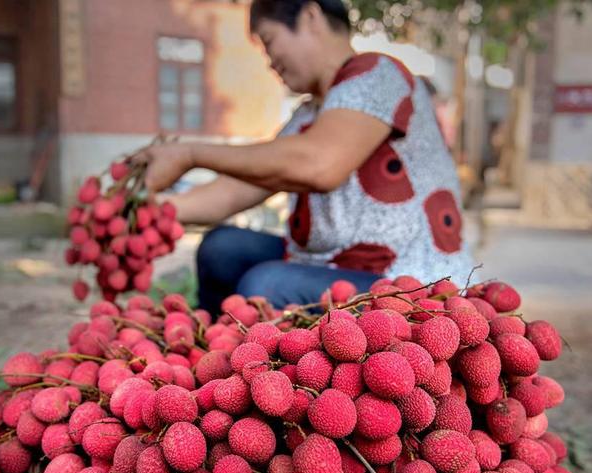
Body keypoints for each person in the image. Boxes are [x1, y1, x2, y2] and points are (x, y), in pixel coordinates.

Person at [137, 0, 474, 316]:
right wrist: (149, 210)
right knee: (222, 248)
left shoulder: (379, 75)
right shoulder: (306, 116)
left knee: (266, 286)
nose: (269, 61)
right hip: (332, 270)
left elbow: (319, 165)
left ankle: (254, 369)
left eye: (269, 41)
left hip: (408, 281)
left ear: (310, 17)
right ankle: (210, 355)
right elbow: (231, 191)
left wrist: (191, 154)